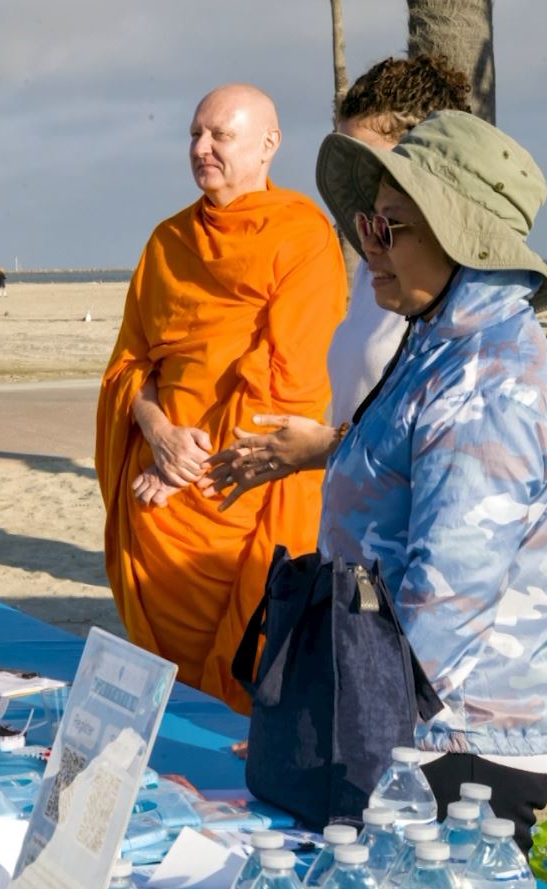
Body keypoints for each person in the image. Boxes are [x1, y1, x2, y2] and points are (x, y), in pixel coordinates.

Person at [310, 111, 547, 851]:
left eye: (392, 228)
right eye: (367, 223)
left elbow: (443, 611)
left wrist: (337, 741)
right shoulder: (442, 341)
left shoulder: (487, 383)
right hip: (419, 723)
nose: (369, 245)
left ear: (462, 238)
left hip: (459, 742)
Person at [95, 84, 346, 711]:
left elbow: (285, 389)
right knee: (166, 705)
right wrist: (157, 435)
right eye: (194, 135)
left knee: (237, 693)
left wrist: (190, 469)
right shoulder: (166, 241)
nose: (201, 148)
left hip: (244, 501)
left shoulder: (303, 237)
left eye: (220, 136)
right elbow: (131, 364)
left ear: (269, 145)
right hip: (158, 503)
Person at [200, 55, 471, 505]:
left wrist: (324, 446)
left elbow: (453, 454)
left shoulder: (465, 297)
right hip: (359, 537)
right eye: (350, 165)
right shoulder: (375, 267)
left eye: (374, 165)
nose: (365, 186)